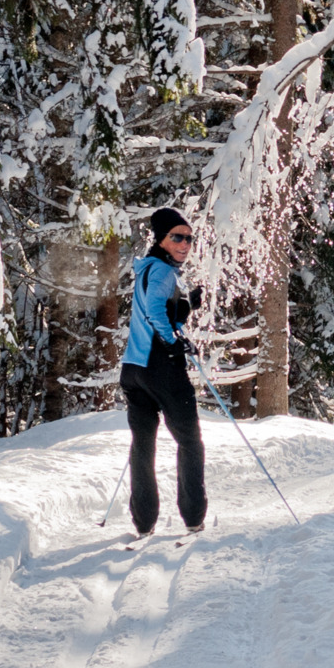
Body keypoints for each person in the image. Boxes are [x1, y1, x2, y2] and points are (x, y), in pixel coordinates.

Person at [121, 206, 206, 536]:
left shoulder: (146, 269)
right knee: (190, 442)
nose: (185, 244)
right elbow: (157, 311)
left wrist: (186, 307)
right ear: (161, 239)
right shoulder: (164, 272)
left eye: (189, 238)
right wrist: (172, 342)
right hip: (161, 368)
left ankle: (143, 524)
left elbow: (154, 311)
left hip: (133, 369)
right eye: (177, 237)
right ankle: (194, 518)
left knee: (143, 446)